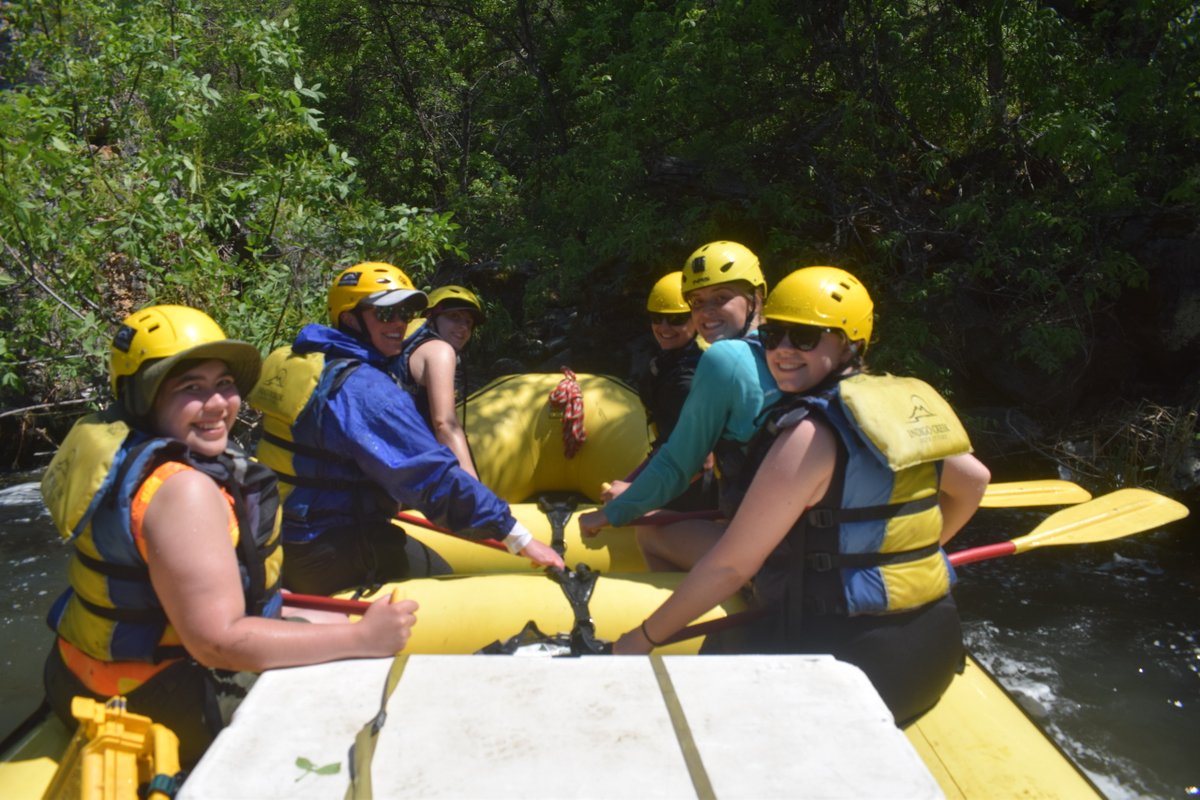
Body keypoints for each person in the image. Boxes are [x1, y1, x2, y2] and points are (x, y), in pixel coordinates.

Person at [608, 267, 992, 725]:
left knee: (704, 683)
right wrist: (905, 554)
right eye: (773, 335)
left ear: (849, 342)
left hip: (854, 668)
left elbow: (732, 565)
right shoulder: (897, 410)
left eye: (805, 336)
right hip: (935, 649)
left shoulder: (809, 436)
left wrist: (643, 638)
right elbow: (974, 483)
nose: (784, 350)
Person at [39, 305, 419, 767]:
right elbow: (216, 643)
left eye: (223, 384)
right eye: (190, 388)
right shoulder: (182, 491)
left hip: (77, 678)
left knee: (326, 628)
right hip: (150, 701)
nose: (218, 404)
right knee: (366, 703)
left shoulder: (127, 453)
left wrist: (323, 620)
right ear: (143, 397)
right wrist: (364, 640)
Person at [249, 262, 563, 595]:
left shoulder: (293, 359)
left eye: (404, 312)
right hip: (330, 550)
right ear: (349, 318)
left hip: (281, 536)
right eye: (385, 314)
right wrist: (518, 536)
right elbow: (430, 474)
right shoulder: (365, 390)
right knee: (446, 583)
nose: (399, 323)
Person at [579, 241, 780, 570]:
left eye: (721, 298)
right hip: (796, 537)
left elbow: (678, 464)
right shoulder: (791, 353)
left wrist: (611, 514)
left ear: (756, 298)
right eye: (697, 302)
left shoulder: (723, 357)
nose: (706, 313)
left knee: (652, 535)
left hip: (772, 553)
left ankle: (708, 615)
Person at [632, 270, 714, 512]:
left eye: (677, 319)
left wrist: (634, 494)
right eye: (657, 318)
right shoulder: (672, 359)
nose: (664, 327)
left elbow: (701, 460)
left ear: (696, 319)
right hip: (675, 471)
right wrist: (633, 481)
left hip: (702, 489)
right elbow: (668, 443)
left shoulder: (689, 376)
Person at [391, 285, 485, 477]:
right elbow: (445, 424)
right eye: (454, 317)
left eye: (468, 322)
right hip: (416, 467)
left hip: (395, 459)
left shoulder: (408, 348)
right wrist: (473, 489)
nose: (463, 327)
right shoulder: (440, 351)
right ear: (431, 319)